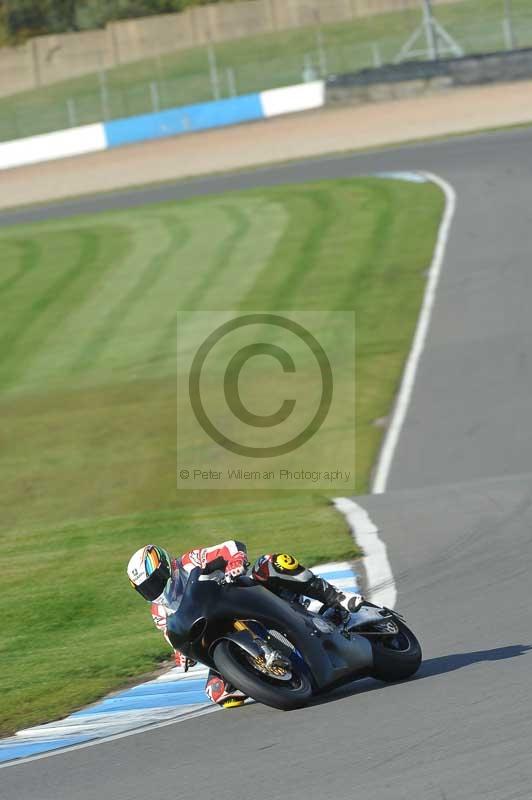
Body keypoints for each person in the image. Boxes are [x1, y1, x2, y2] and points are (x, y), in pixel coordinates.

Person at [127, 541, 364, 709]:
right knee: (218, 693)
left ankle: (336, 596)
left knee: (272, 563)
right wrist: (182, 654)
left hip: (245, 597)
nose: (154, 590)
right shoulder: (159, 611)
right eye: (146, 589)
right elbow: (173, 638)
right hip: (218, 629)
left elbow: (231, 547)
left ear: (166, 568)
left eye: (155, 582)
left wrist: (235, 562)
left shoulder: (189, 562)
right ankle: (274, 675)